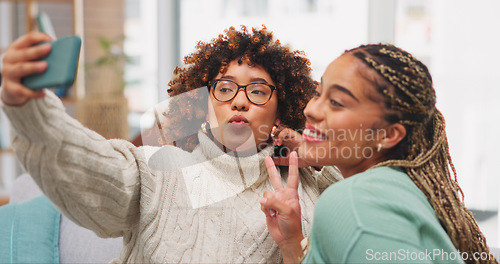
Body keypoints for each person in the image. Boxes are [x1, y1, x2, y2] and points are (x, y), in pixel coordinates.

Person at [0, 26, 342, 263]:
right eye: (224, 89)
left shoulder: (311, 183)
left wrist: (318, 157)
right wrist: (28, 107)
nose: (239, 101)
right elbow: (90, 170)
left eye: (257, 90)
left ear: (280, 113)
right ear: (204, 108)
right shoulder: (159, 167)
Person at [260, 43, 498, 263]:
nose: (310, 109)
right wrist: (292, 242)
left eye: (336, 102)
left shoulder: (355, 201)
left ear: (388, 135)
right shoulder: (398, 189)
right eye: (318, 93)